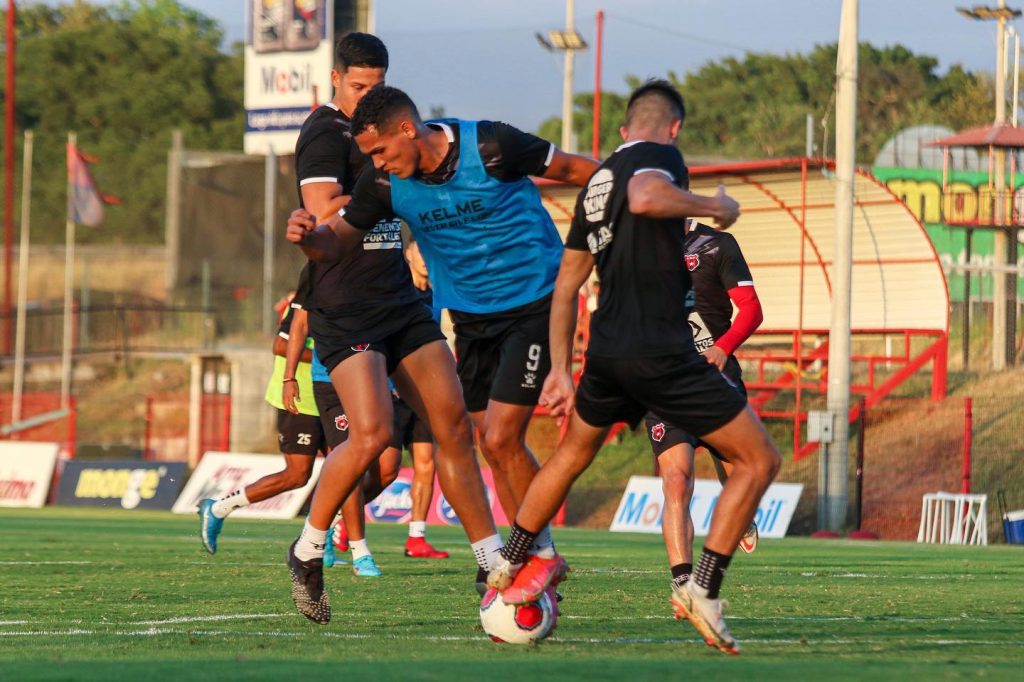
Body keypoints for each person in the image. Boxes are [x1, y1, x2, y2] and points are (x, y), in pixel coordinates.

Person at [486, 80, 781, 655]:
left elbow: (567, 283)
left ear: (623, 130)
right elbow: (648, 196)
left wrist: (560, 370)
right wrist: (713, 207)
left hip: (607, 355)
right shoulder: (661, 157)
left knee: (570, 455)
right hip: (663, 353)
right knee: (758, 459)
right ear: (673, 128)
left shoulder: (596, 183)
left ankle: (511, 558)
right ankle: (704, 589)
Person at [287, 84, 599, 589]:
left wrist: (601, 237)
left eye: (380, 150)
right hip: (471, 318)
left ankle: (531, 554)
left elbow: (580, 172)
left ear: (408, 129)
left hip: (535, 303)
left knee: (499, 435)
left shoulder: (493, 146)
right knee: (488, 445)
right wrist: (308, 237)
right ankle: (534, 553)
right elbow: (335, 241)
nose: (376, 163)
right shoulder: (384, 184)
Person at [284, 37, 503, 625]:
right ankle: (306, 552)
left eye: (374, 86)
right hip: (344, 304)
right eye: (356, 88)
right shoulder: (326, 133)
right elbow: (327, 205)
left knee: (453, 421)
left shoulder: (386, 126)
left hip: (401, 302)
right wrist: (386, 187)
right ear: (335, 79)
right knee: (374, 434)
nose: (364, 100)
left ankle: (491, 560)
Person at [644, 218, 764, 597]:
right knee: (676, 480)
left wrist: (722, 347)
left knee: (741, 477)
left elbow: (751, 310)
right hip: (664, 384)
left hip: (716, 379)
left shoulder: (717, 244)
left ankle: (742, 517)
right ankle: (683, 582)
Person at [196, 269, 325, 555]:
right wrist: (327, 358)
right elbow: (280, 345)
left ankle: (337, 543)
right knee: (297, 476)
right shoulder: (308, 296)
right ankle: (219, 508)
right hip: (302, 400)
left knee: (350, 467)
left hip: (335, 397)